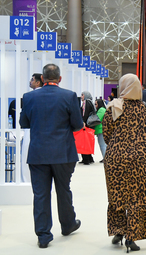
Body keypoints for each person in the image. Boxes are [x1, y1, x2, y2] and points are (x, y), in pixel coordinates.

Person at [19, 64, 83, 248]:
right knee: (64, 190)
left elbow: (24, 122)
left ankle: (43, 235)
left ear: (43, 79)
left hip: (38, 153)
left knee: (40, 194)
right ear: (60, 79)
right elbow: (78, 125)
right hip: (63, 152)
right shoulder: (69, 96)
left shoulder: (29, 97)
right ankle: (68, 224)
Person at [102, 73, 146, 252]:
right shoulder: (145, 108)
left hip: (116, 159)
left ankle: (119, 230)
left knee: (117, 195)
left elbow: (106, 134)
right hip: (140, 161)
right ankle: (132, 237)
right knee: (138, 198)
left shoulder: (114, 107)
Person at [20, 73, 44, 182]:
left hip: (31, 130)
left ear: (38, 82)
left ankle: (27, 179)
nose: (30, 81)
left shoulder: (29, 97)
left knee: (27, 155)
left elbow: (23, 121)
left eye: (32, 80)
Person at [80, 91, 95, 165]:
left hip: (86, 126)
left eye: (82, 95)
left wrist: (83, 123)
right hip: (90, 125)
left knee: (84, 142)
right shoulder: (91, 102)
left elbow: (84, 114)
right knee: (88, 141)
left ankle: (86, 159)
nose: (81, 96)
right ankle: (89, 158)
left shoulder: (86, 102)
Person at [94, 99, 107, 163]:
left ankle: (105, 158)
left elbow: (97, 118)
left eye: (96, 104)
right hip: (102, 129)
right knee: (104, 145)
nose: (95, 106)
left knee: (102, 145)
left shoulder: (101, 110)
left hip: (100, 129)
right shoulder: (103, 109)